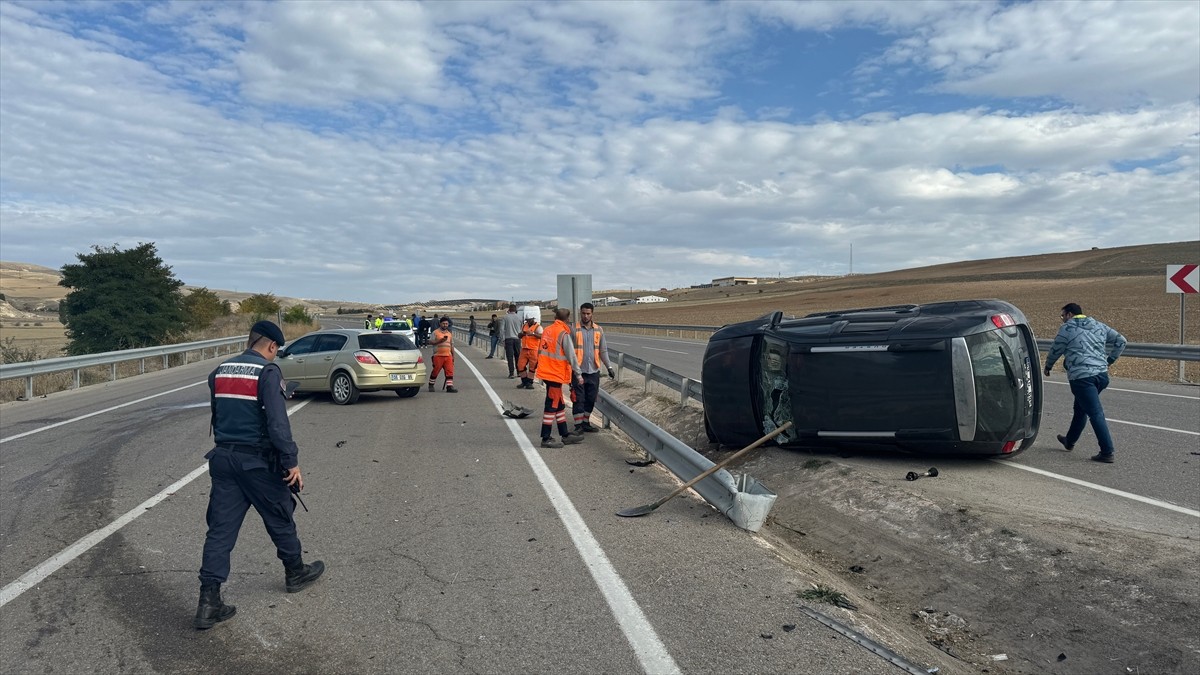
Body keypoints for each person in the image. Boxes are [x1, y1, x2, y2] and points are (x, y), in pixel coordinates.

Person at [194, 320, 324, 630]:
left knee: (220, 531)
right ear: (270, 346)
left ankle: (208, 600)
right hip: (257, 463)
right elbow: (278, 424)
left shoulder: (221, 370)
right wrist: (291, 462)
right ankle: (295, 572)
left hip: (224, 460)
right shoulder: (267, 372)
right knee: (280, 515)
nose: (274, 356)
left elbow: (219, 411)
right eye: (275, 351)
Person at [1043, 302, 1126, 463]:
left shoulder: (1067, 329)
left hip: (1082, 378)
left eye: (1062, 316)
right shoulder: (1098, 325)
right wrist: (1109, 360)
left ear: (1069, 314)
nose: (1062, 319)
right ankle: (1070, 441)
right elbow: (1121, 341)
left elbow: (1056, 349)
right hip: (1101, 376)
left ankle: (1107, 451)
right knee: (1081, 408)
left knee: (1095, 413)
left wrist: (1048, 366)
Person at [535, 308, 584, 448]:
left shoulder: (547, 330)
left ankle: (565, 434)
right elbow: (571, 356)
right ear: (567, 320)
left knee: (560, 403)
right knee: (552, 405)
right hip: (555, 374)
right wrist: (578, 374)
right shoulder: (563, 334)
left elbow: (541, 350)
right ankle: (546, 438)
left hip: (546, 372)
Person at [571, 303, 615, 432]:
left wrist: (609, 367)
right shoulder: (574, 329)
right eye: (583, 313)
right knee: (578, 398)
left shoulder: (598, 330)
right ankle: (578, 426)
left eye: (588, 313)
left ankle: (585, 422)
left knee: (591, 398)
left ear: (592, 314)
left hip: (593, 371)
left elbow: (603, 350)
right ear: (580, 313)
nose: (585, 316)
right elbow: (568, 350)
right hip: (578, 371)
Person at [760, 345, 796, 443]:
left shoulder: (783, 380)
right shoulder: (763, 378)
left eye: (777, 361)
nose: (774, 363)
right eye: (772, 360)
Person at [428, 316, 458, 392]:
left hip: (448, 356)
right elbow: (430, 342)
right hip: (438, 355)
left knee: (449, 371)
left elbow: (452, 345)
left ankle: (449, 387)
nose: (445, 325)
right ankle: (431, 385)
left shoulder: (449, 334)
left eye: (446, 324)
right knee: (435, 371)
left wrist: (453, 356)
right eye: (443, 323)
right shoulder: (435, 332)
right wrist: (440, 341)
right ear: (440, 324)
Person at [516, 316, 543, 389]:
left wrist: (533, 334)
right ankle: (524, 381)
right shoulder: (524, 325)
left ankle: (529, 383)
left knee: (532, 367)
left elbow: (541, 336)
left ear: (533, 319)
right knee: (520, 365)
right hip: (524, 348)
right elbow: (519, 335)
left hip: (534, 349)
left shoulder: (538, 327)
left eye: (529, 320)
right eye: (527, 320)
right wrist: (522, 334)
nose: (527, 322)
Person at [500, 304, 523, 378]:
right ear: (516, 310)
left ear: (509, 310)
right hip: (517, 339)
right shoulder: (520, 317)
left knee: (510, 357)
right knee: (518, 356)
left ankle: (511, 373)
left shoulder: (505, 317)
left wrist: (502, 339)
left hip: (508, 339)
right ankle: (519, 372)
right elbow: (522, 329)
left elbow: (501, 329)